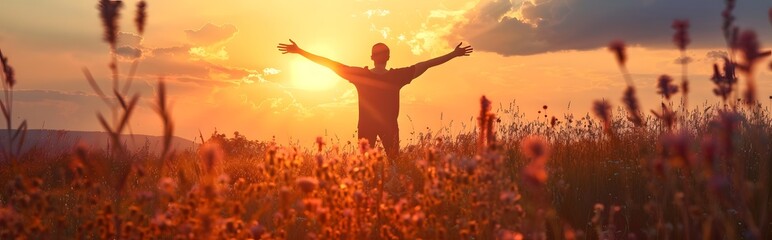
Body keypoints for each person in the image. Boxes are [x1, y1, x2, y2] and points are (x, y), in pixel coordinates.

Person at [278, 39, 472, 160]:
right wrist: (453, 54)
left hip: (368, 126)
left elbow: (329, 64)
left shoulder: (360, 75)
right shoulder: (398, 76)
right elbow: (427, 64)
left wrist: (300, 51)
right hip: (388, 126)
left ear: (372, 57)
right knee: (394, 161)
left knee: (365, 164)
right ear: (388, 57)